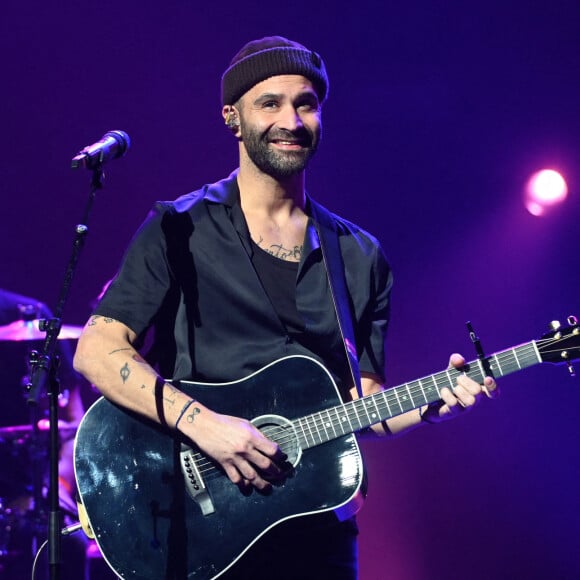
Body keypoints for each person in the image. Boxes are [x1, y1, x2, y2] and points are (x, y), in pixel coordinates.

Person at [73, 36, 498, 579]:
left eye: (306, 103)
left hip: (317, 523)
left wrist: (433, 403)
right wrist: (206, 426)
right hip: (198, 518)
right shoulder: (177, 228)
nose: (291, 120)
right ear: (233, 117)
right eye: (269, 103)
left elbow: (362, 403)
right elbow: (97, 350)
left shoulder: (358, 254)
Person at [0, 288, 87, 578]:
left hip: (31, 487)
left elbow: (76, 425)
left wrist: (59, 484)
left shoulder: (27, 312)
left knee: (67, 543)